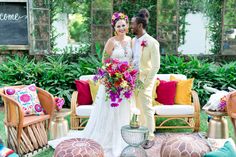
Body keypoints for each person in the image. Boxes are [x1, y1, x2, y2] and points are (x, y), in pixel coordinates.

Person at [49, 12, 135, 157]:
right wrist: (114, 73)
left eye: (123, 25)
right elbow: (105, 61)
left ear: (126, 25)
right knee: (110, 112)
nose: (121, 28)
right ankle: (107, 139)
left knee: (123, 112)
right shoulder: (111, 41)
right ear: (114, 27)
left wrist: (128, 74)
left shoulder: (131, 41)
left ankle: (122, 138)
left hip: (125, 83)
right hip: (112, 82)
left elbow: (132, 60)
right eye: (118, 26)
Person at [130, 8, 160, 149]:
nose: (131, 26)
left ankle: (150, 137)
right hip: (131, 80)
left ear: (140, 26)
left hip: (144, 81)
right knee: (136, 108)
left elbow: (156, 66)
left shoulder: (152, 42)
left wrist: (147, 83)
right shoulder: (133, 41)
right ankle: (140, 133)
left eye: (132, 24)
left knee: (147, 108)